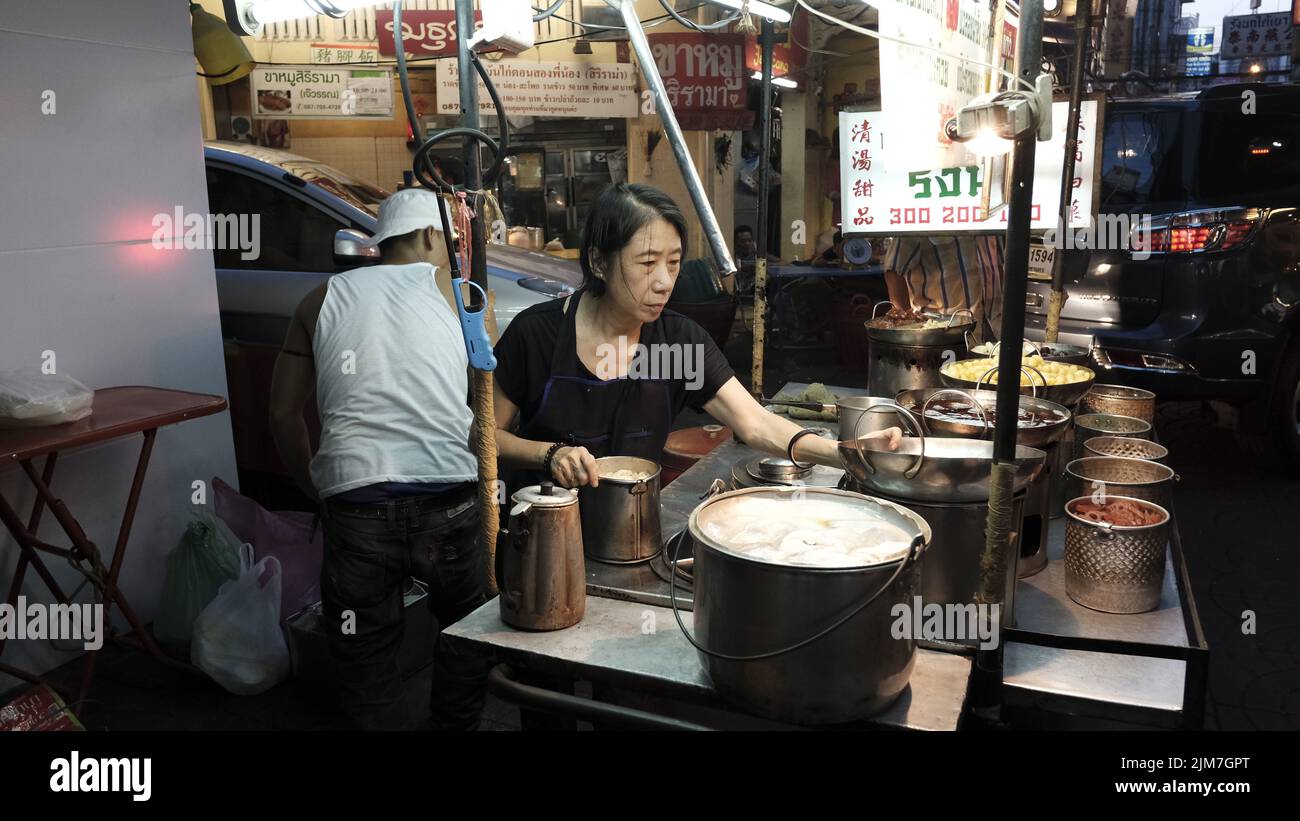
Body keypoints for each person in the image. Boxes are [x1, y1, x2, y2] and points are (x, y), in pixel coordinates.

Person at [490, 182, 901, 492]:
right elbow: (485, 437)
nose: (664, 281)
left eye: (673, 263)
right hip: (545, 535)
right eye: (648, 263)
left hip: (631, 523)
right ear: (599, 260)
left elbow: (754, 423)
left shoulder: (675, 345)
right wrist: (549, 454)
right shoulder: (538, 335)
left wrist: (845, 452)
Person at [268, 188, 489, 732]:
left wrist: (320, 491)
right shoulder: (460, 294)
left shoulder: (319, 300)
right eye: (449, 241)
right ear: (432, 236)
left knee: (363, 654)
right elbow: (476, 404)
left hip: (356, 503)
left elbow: (281, 416)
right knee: (467, 635)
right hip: (450, 501)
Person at [882, 234, 1006, 341]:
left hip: (994, 325)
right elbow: (893, 271)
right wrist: (907, 328)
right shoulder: (920, 219)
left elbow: (998, 264)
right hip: (942, 332)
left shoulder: (990, 218)